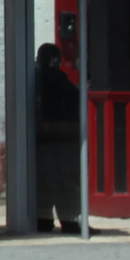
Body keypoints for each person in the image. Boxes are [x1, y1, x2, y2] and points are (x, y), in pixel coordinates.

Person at [34, 42, 81, 234]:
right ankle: (69, 222)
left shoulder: (32, 75)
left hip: (38, 137)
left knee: (42, 183)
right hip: (59, 137)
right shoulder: (56, 77)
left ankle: (43, 220)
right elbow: (74, 97)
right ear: (55, 60)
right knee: (64, 183)